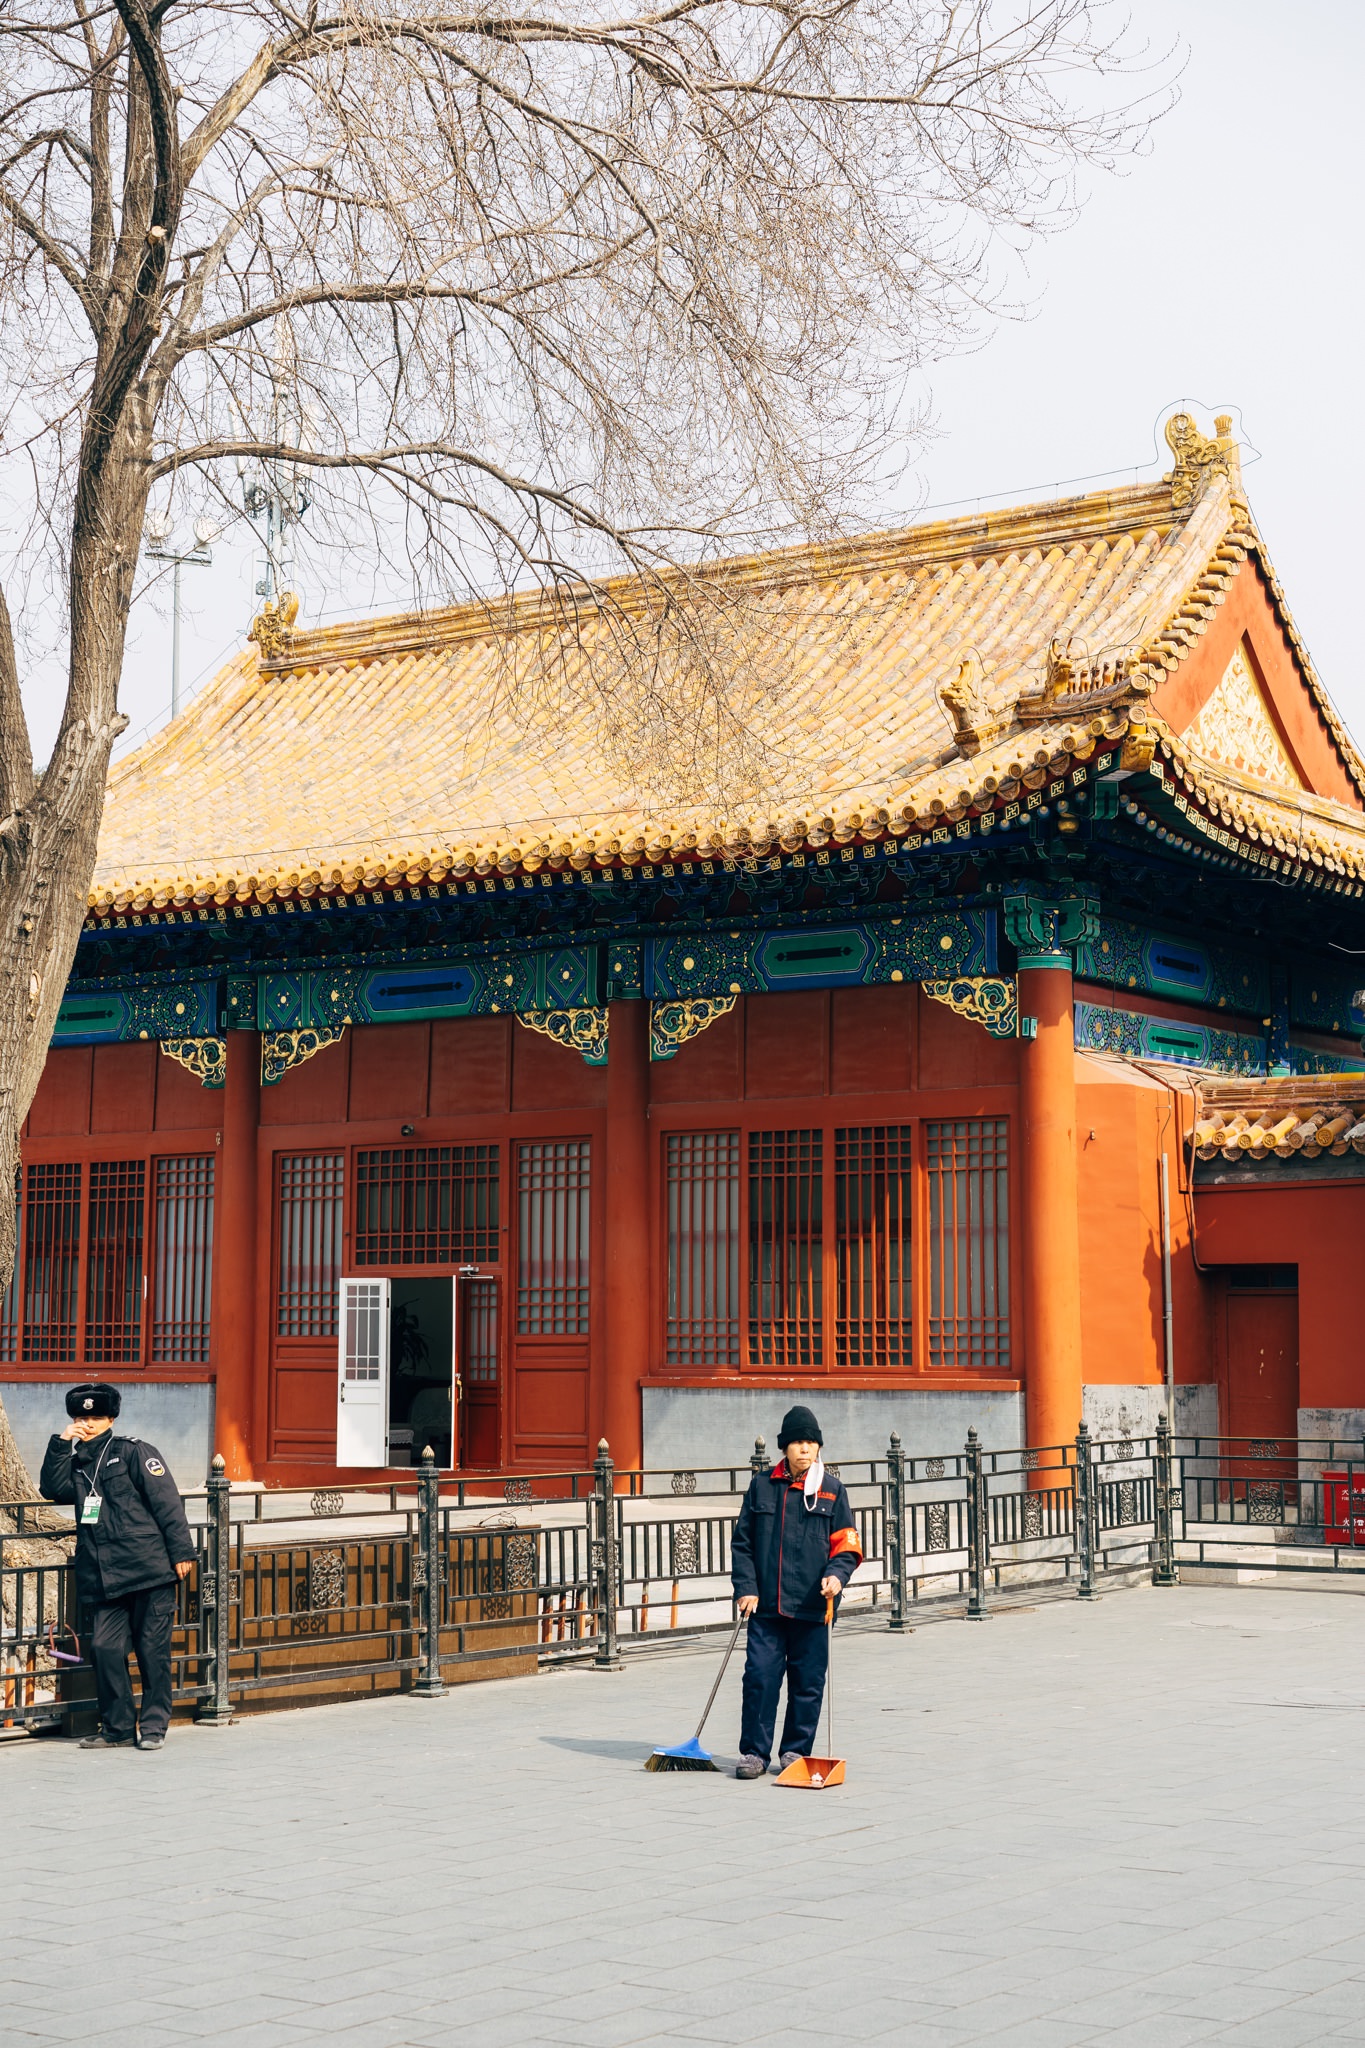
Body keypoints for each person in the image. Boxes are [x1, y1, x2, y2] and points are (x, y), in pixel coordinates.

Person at [40, 1383, 196, 1752]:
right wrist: (62, 1442)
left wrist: (182, 1552)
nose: (88, 1424)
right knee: (107, 1650)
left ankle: (154, 1726)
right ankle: (118, 1728)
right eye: (81, 1418)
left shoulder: (133, 1452)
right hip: (104, 1577)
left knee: (151, 1650)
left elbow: (167, 1503)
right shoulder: (76, 1463)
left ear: (110, 1418)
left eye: (95, 1417)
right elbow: (52, 1488)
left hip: (148, 1570)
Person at [729, 1404, 862, 1780]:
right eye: (797, 1442)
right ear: (784, 1447)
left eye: (810, 1442)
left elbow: (847, 1546)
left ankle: (795, 1750)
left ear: (818, 1448)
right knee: (759, 1677)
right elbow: (743, 1544)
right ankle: (754, 1752)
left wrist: (837, 1577)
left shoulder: (832, 1491)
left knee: (807, 1682)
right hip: (766, 1607)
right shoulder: (761, 1485)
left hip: (813, 1607)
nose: (804, 1449)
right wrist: (746, 1588)